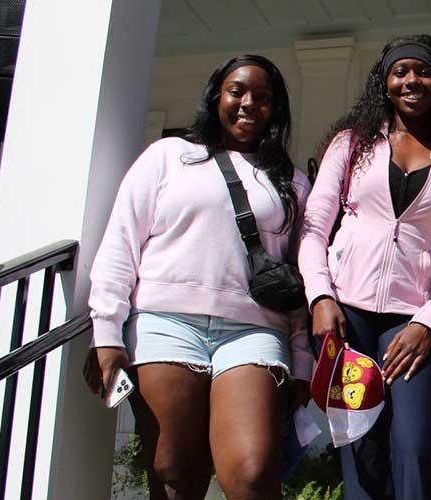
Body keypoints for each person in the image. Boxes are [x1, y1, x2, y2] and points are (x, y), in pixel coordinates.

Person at [83, 54, 312, 500]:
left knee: (251, 475)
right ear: (216, 97)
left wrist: (302, 361)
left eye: (263, 98)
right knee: (174, 472)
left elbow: (297, 278)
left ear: (276, 110)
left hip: (254, 330)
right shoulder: (168, 156)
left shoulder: (291, 181)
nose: (248, 103)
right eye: (237, 91)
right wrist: (106, 331)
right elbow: (120, 243)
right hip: (166, 324)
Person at [299, 34, 431, 499]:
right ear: (384, 83)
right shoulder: (351, 144)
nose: (412, 80)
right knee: (358, 446)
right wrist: (321, 297)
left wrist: (429, 322)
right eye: (400, 71)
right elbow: (313, 229)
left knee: (414, 447)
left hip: (410, 321)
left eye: (423, 71)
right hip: (346, 317)